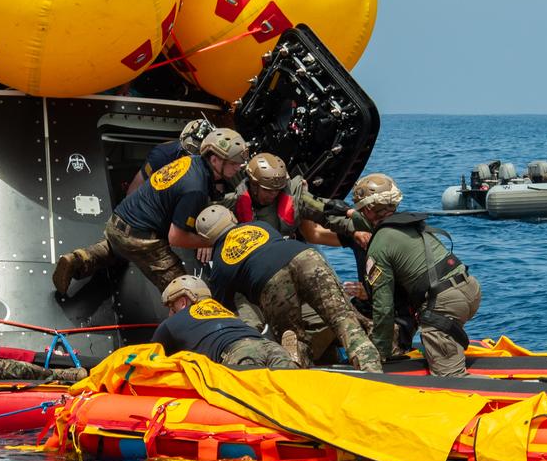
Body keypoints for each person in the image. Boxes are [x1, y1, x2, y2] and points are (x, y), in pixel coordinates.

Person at [53, 126, 249, 297]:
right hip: (143, 240)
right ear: (214, 159)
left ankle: (79, 259)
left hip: (117, 223)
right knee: (187, 291)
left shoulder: (189, 162)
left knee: (117, 250)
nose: (238, 167)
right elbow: (176, 238)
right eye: (233, 163)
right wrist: (213, 240)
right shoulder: (196, 189)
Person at [193, 205, 385, 372]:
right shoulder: (260, 225)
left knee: (292, 337)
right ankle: (373, 372)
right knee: (344, 320)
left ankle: (303, 378)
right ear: (232, 218)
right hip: (305, 256)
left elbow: (224, 311)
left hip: (271, 280)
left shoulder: (219, 264)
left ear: (205, 239)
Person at [351, 173, 481, 376]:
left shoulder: (379, 245)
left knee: (451, 379)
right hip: (469, 289)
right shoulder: (407, 223)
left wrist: (380, 353)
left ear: (368, 209)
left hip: (444, 304)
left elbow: (383, 307)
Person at [153, 275, 297, 370]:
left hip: (239, 353)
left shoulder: (173, 322)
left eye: (171, 307)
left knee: (253, 405)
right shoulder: (223, 311)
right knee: (291, 390)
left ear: (183, 302)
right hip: (268, 345)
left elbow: (149, 357)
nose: (169, 314)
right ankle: (293, 361)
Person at [232, 151, 364, 249]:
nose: (273, 194)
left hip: (284, 251)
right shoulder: (233, 201)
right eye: (267, 190)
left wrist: (356, 228)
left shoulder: (295, 197)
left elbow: (325, 211)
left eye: (277, 190)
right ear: (254, 185)